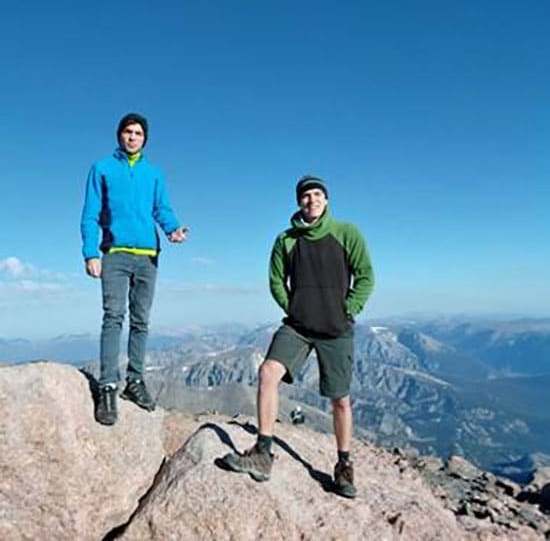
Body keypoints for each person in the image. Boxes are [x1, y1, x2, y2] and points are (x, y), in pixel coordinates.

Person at [222, 175, 374, 498]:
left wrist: (348, 308)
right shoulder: (286, 240)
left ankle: (344, 466)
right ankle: (263, 453)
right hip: (298, 326)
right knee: (267, 373)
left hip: (336, 329)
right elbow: (276, 280)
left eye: (318, 194)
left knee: (340, 399)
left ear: (327, 200)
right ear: (298, 202)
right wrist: (294, 307)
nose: (312, 200)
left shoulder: (347, 233)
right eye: (306, 195)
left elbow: (365, 276)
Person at [81, 113, 187, 426]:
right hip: (114, 254)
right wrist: (90, 253)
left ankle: (135, 382)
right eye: (128, 132)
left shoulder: (153, 173)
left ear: (145, 139)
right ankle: (108, 386)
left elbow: (161, 208)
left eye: (138, 133)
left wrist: (173, 230)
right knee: (113, 317)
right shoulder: (102, 169)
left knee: (141, 321)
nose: (132, 137)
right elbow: (89, 214)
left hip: (148, 256)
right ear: (119, 135)